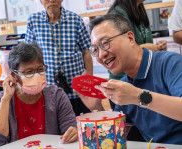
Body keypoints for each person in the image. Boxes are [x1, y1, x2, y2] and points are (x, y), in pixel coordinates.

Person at [78, 14, 182, 145]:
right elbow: (116, 135)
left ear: (130, 38)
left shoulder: (169, 63)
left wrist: (137, 96)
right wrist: (97, 108)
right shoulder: (124, 85)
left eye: (105, 43)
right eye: (95, 49)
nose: (101, 54)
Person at [0, 42, 78, 149]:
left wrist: (73, 133)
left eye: (40, 69)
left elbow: (70, 129)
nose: (36, 75)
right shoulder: (0, 99)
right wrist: (6, 98)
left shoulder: (57, 96)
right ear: (14, 76)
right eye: (29, 72)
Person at [24, 0, 93, 116]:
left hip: (77, 89)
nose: (52, 0)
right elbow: (29, 55)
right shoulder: (33, 21)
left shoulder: (76, 20)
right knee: (54, 130)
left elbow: (86, 52)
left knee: (81, 127)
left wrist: (89, 80)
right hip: (48, 89)